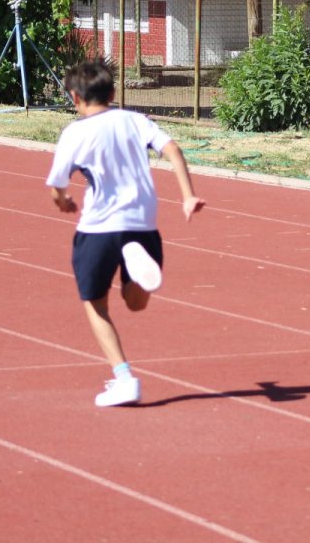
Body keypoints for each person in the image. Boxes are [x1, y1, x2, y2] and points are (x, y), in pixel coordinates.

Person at [46, 57, 205, 407]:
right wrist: (188, 195)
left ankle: (124, 378)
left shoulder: (75, 132)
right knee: (134, 304)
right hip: (143, 223)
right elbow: (173, 149)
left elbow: (57, 185)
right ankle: (139, 274)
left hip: (99, 226)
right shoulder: (136, 120)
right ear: (113, 91)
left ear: (74, 97)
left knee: (95, 303)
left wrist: (64, 202)